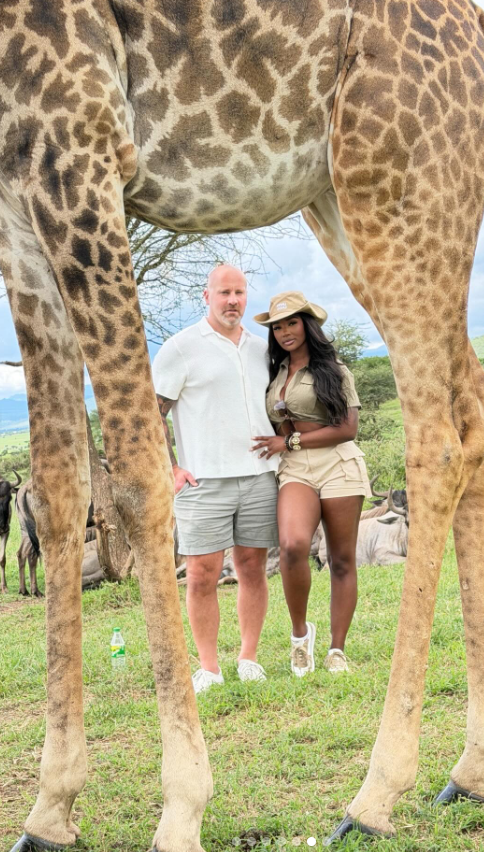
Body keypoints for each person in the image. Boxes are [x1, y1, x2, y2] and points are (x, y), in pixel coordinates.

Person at [152, 264, 279, 694]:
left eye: (240, 292)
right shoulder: (180, 348)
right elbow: (151, 413)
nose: (233, 301)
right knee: (202, 575)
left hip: (261, 477)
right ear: (206, 296)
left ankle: (249, 657)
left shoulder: (262, 349)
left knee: (252, 570)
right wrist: (168, 467)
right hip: (203, 482)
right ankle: (208, 667)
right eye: (224, 292)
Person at [252, 292, 371, 676]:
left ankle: (337, 650)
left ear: (307, 325)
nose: (285, 331)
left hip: (338, 464)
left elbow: (348, 428)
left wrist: (287, 440)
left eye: (291, 322)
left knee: (340, 560)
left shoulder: (333, 369)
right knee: (292, 546)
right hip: (296, 469)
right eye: (278, 326)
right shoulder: (277, 371)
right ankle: (301, 637)